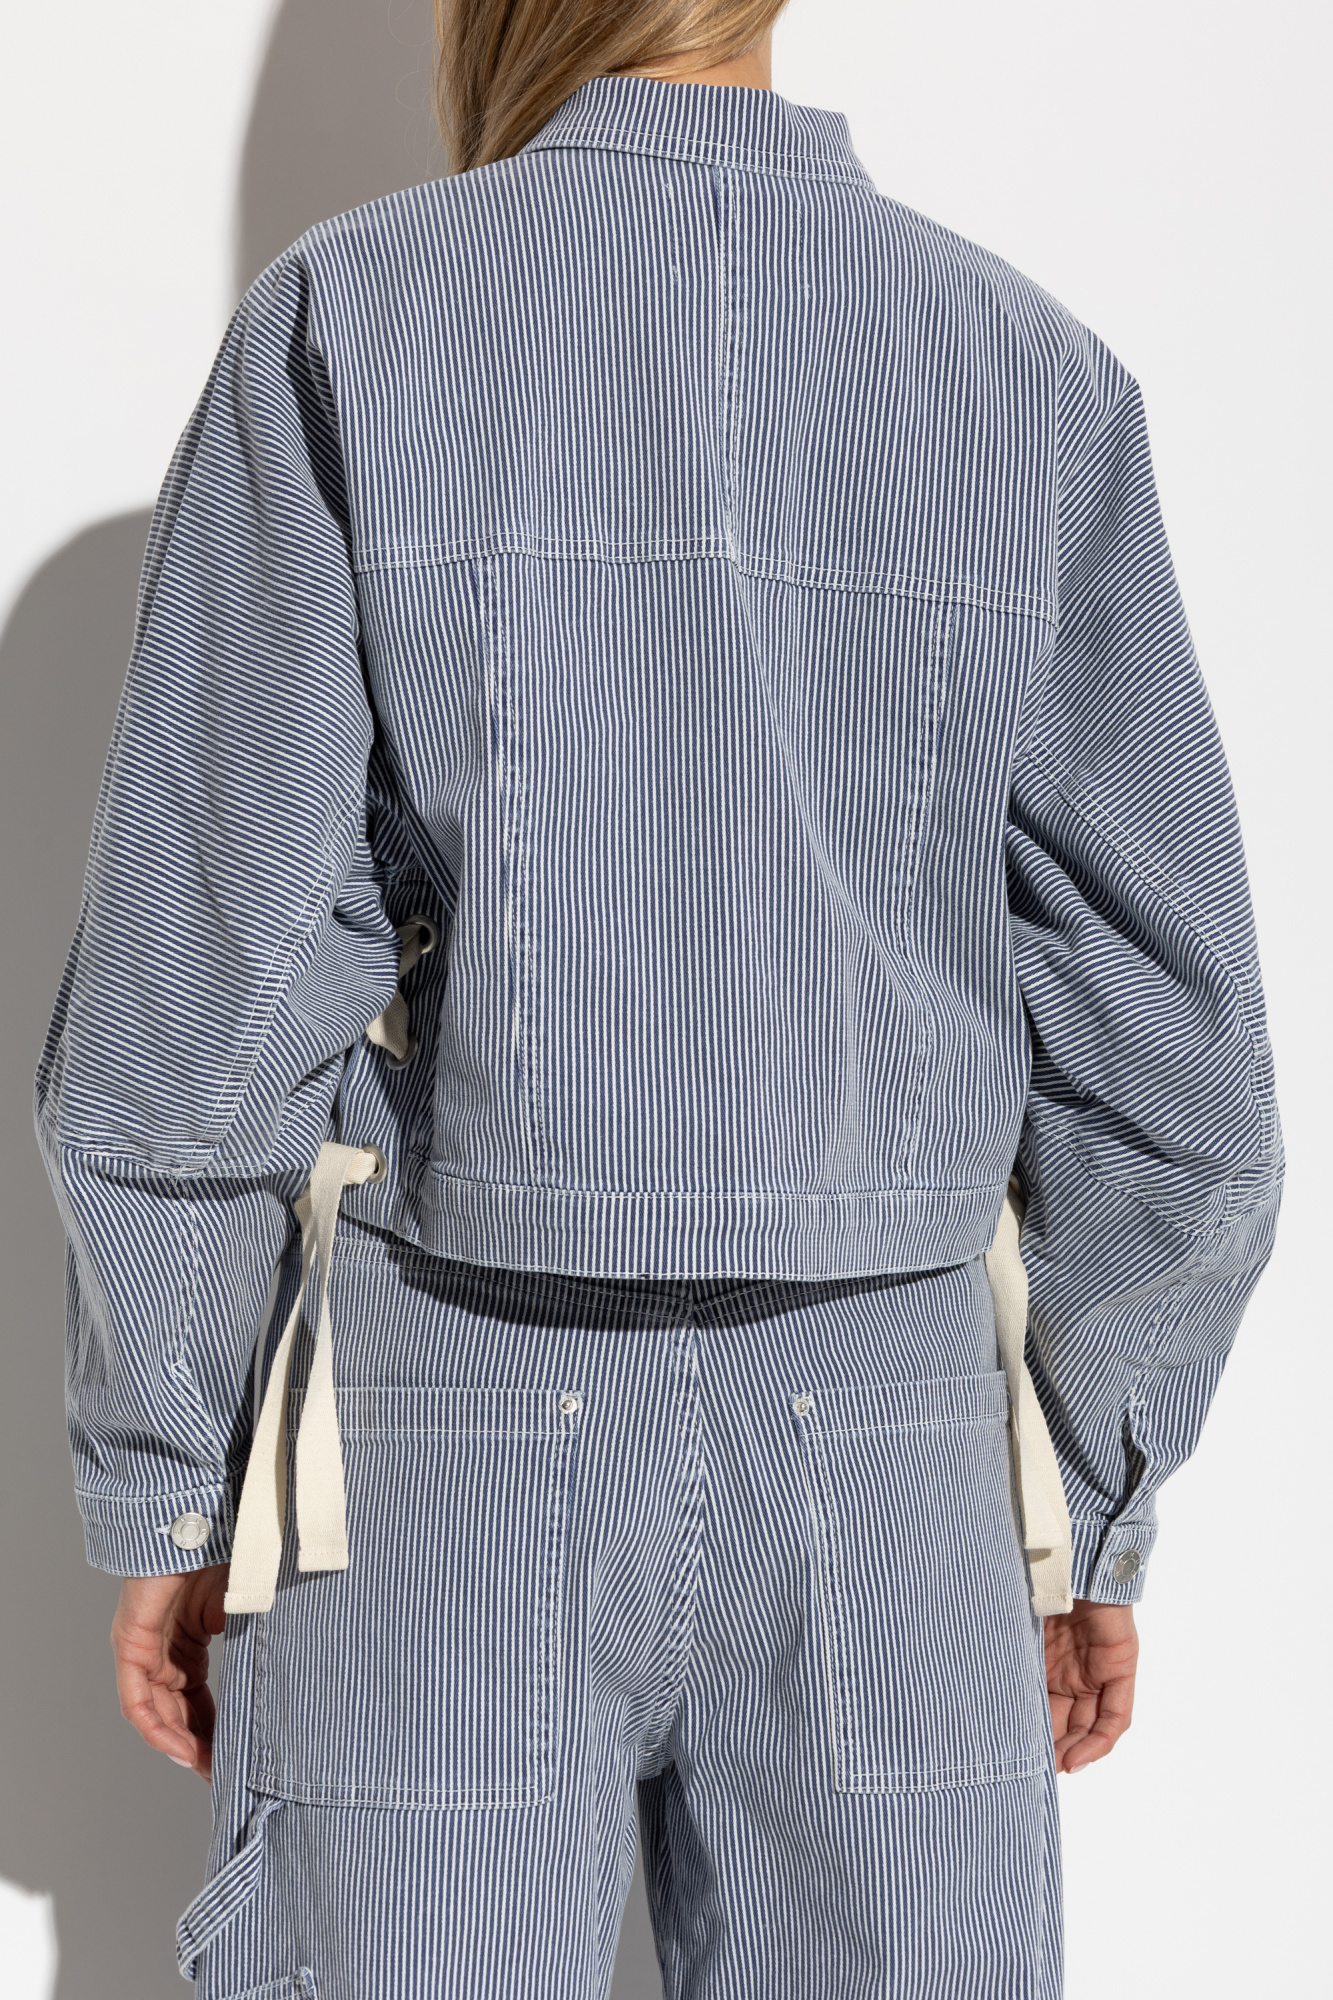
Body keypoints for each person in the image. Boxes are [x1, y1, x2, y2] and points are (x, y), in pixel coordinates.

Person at [35, 1, 1283, 1994]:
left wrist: (185, 1476)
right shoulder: (1025, 372)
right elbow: (1175, 1059)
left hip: (442, 1421)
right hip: (889, 1445)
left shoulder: (351, 317)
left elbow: (207, 996)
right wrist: (1079, 1488)